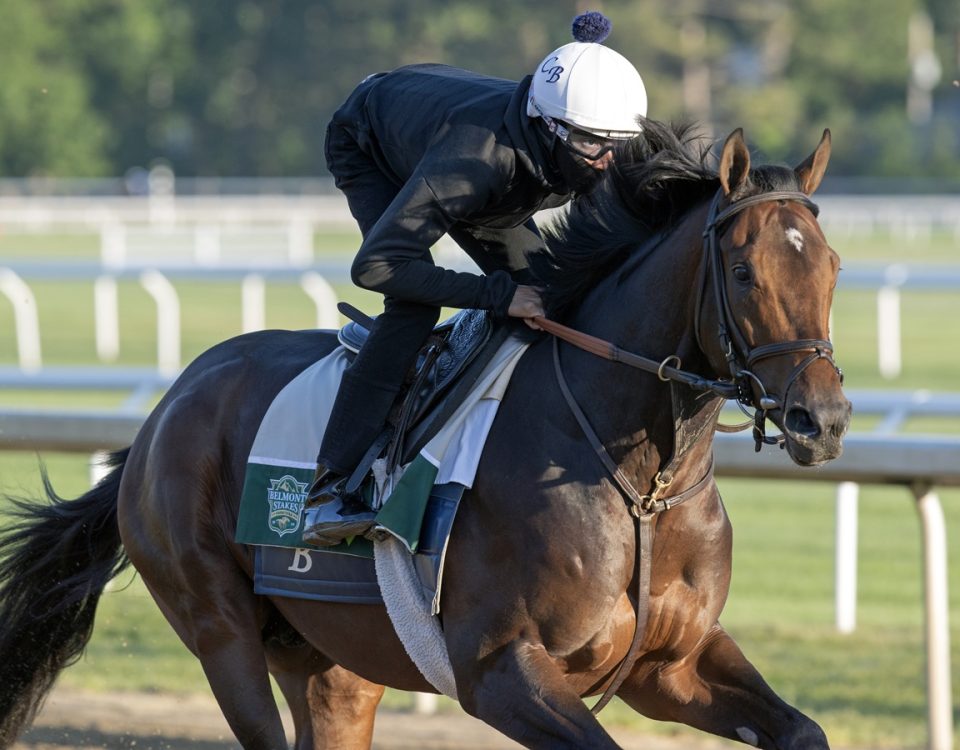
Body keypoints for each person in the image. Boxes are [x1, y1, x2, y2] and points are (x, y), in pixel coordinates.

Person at [303, 11, 648, 546]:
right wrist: (499, 294)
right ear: (550, 128)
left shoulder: (587, 136)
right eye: (591, 146)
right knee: (412, 306)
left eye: (617, 145)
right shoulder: (476, 163)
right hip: (374, 144)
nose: (607, 162)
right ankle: (327, 491)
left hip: (465, 148)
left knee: (559, 299)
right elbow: (375, 267)